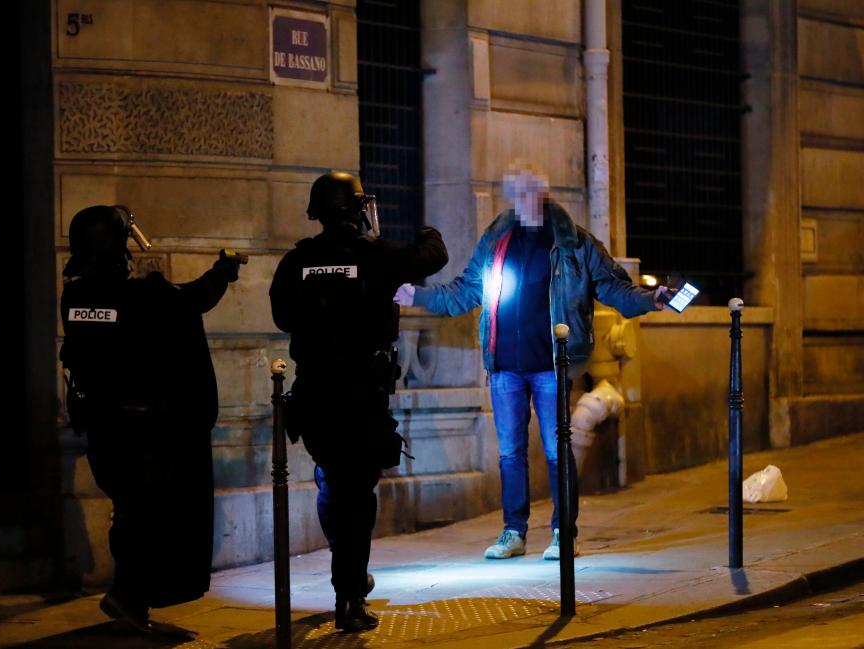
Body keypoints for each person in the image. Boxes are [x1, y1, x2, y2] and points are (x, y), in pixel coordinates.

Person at [394, 162, 670, 561]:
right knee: (510, 452)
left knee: (558, 450)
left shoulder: (573, 242)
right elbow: (465, 291)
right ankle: (514, 531)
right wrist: (416, 296)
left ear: (543, 193)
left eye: (529, 190)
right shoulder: (497, 239)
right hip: (505, 365)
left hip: (551, 366)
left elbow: (614, 289)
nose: (522, 198)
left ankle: (563, 532)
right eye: (516, 191)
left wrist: (652, 300)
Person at [269, 172, 447, 632]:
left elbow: (283, 315)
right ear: (354, 209)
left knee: (332, 484)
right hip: (362, 397)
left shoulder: (297, 261)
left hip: (315, 395)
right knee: (358, 495)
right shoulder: (374, 255)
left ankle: (345, 575)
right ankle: (350, 594)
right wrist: (427, 229)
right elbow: (433, 256)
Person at [60, 205, 243, 633]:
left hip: (104, 428)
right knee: (150, 518)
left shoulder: (76, 297)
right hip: (144, 431)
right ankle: (129, 597)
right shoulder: (140, 295)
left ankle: (130, 600)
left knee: (129, 513)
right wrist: (224, 270)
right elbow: (195, 298)